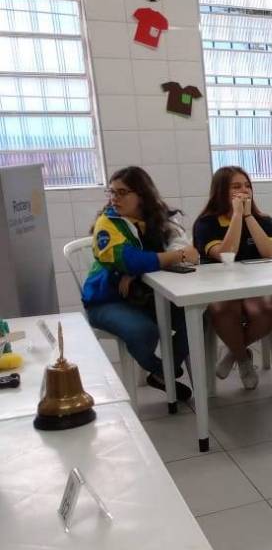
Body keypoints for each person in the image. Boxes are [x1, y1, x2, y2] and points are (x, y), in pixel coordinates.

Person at [82, 166, 198, 399]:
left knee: (197, 315)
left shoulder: (158, 218)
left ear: (142, 195)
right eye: (111, 192)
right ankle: (163, 370)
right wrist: (174, 257)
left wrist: (139, 270)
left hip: (143, 296)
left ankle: (162, 375)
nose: (114, 198)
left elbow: (186, 250)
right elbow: (129, 260)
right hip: (106, 300)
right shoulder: (108, 222)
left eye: (122, 192)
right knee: (144, 331)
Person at [192, 166, 272, 389]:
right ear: (222, 191)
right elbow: (225, 254)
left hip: (254, 285)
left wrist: (248, 216)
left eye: (247, 186)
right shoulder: (206, 223)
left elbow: (269, 252)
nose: (244, 190)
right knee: (223, 310)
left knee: (266, 309)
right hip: (220, 286)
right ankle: (244, 360)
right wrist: (237, 215)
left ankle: (234, 353)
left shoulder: (263, 220)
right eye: (236, 186)